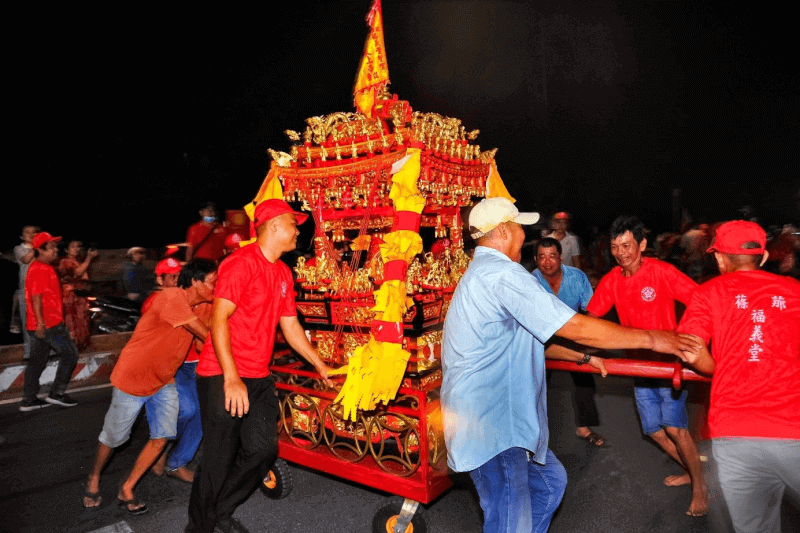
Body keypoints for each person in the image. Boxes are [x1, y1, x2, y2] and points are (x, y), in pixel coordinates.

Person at [441, 198, 703, 533]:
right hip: (493, 426)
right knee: (510, 519)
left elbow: (537, 339)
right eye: (520, 226)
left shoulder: (485, 273)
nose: (525, 235)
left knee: (550, 484)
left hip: (500, 421)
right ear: (504, 231)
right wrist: (653, 338)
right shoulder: (502, 275)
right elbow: (575, 325)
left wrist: (582, 356)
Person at [185, 199, 335, 533]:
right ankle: (199, 528)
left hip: (258, 374)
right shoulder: (241, 264)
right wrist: (232, 377)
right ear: (274, 225)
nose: (298, 231)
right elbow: (219, 320)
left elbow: (290, 326)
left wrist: (319, 365)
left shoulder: (282, 272)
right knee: (217, 459)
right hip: (221, 373)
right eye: (293, 224)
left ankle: (221, 511)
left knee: (262, 449)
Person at [676, 220, 800, 533]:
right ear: (761, 257)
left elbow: (689, 350)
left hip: (735, 432)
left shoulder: (708, 294)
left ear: (719, 259)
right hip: (795, 429)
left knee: (756, 527)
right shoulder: (795, 292)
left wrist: (720, 368)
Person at [586, 215, 707, 517]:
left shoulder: (662, 272)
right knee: (653, 430)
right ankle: (694, 473)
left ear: (641, 244)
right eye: (615, 246)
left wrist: (687, 338)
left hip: (668, 367)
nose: (621, 252)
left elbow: (700, 301)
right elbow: (590, 320)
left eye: (627, 245)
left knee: (675, 429)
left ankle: (700, 487)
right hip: (639, 368)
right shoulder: (611, 281)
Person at [82, 259, 218, 513]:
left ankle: (127, 488)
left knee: (163, 435)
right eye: (213, 281)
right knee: (113, 438)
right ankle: (93, 477)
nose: (217, 286)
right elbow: (208, 337)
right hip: (133, 379)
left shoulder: (199, 306)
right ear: (196, 282)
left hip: (163, 380)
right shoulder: (172, 297)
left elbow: (202, 347)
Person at [532, 237, 605, 446]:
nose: (547, 262)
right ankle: (534, 433)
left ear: (560, 257)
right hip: (542, 338)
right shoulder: (531, 281)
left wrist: (590, 338)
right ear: (536, 259)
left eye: (552, 256)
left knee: (585, 381)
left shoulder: (577, 277)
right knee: (535, 385)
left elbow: (591, 312)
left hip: (572, 335)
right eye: (542, 257)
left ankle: (583, 427)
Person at [19, 232, 80, 411]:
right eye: (52, 247)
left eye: (55, 247)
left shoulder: (40, 267)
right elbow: (36, 297)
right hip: (48, 323)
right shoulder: (40, 268)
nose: (56, 251)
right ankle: (57, 393)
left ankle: (29, 400)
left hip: (38, 323)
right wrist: (41, 323)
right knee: (70, 353)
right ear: (40, 249)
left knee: (37, 361)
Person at [57, 240, 99, 350]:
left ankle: (81, 347)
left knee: (82, 323)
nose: (76, 249)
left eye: (78, 247)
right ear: (67, 249)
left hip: (80, 297)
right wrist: (89, 258)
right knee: (72, 324)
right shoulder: (65, 262)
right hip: (71, 297)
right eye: (73, 247)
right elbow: (77, 273)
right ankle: (72, 349)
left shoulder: (78, 261)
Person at [14, 225, 38, 359]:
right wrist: (37, 245)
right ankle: (29, 352)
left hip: (41, 289)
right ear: (22, 237)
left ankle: (48, 350)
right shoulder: (19, 249)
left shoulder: (41, 249)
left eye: (33, 232)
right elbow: (26, 259)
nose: (31, 234)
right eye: (27, 232)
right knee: (28, 320)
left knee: (43, 319)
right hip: (27, 290)